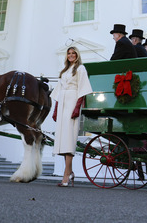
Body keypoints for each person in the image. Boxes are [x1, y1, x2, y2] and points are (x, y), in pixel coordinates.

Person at [51, 46, 93, 187]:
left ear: (77, 55)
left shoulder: (80, 69)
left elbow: (83, 89)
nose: (71, 55)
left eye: (73, 53)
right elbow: (58, 91)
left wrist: (77, 107)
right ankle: (70, 172)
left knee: (69, 139)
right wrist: (56, 109)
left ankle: (66, 175)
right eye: (69, 53)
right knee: (63, 140)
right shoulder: (64, 71)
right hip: (62, 103)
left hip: (72, 102)